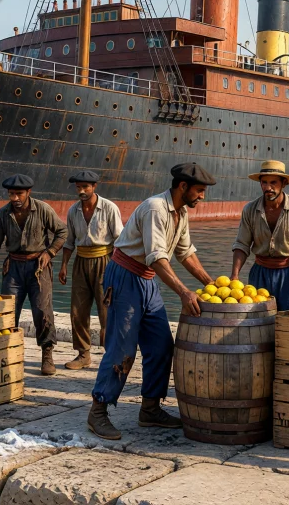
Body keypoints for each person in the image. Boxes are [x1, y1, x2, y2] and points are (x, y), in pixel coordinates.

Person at [86, 163, 217, 441]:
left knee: (160, 346)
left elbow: (185, 252)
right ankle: (98, 410)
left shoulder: (180, 212)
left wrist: (212, 284)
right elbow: (157, 257)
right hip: (124, 277)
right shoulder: (156, 208)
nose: (202, 197)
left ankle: (150, 409)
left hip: (146, 280)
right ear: (183, 187)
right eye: (199, 191)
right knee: (122, 348)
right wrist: (183, 292)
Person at [0, 174, 67, 375]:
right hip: (14, 268)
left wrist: (49, 252)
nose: (15, 198)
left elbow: (62, 232)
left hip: (39, 267)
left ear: (28, 193)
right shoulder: (3, 214)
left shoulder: (43, 209)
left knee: (42, 311)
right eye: (11, 194)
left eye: (19, 194)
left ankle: (47, 353)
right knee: (7, 312)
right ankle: (6, 355)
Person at [230, 160, 289, 311]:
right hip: (260, 273)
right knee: (257, 320)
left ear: (284, 183)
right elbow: (242, 245)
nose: (268, 188)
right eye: (264, 183)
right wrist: (234, 276)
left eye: (273, 183)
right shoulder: (250, 210)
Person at [59, 170, 123, 370]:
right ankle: (83, 354)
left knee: (107, 311)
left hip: (105, 261)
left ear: (95, 187)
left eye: (85, 187)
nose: (82, 191)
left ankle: (112, 355)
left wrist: (116, 269)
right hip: (80, 261)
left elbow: (119, 241)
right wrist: (63, 266)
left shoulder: (110, 208)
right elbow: (69, 242)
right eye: (78, 187)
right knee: (78, 310)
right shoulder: (73, 211)